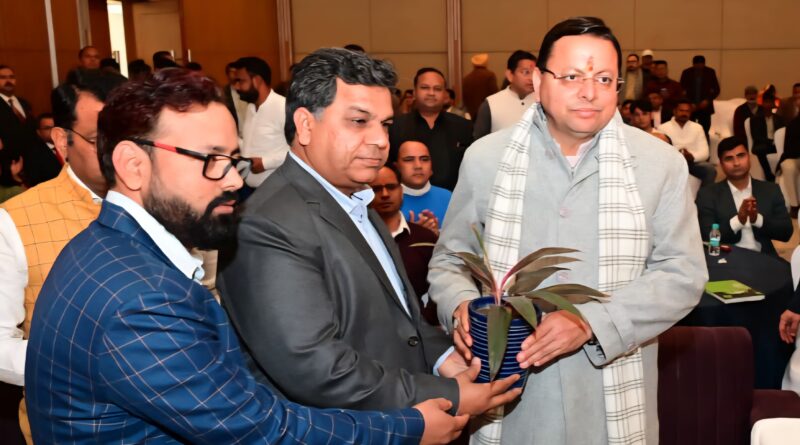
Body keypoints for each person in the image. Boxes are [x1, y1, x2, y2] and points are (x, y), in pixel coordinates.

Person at [24, 67, 467, 445]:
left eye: (233, 159)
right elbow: (257, 429)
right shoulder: (142, 298)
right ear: (133, 164)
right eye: (211, 159)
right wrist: (407, 427)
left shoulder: (100, 247)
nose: (234, 181)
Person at [428, 17, 706, 444]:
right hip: (512, 397)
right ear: (539, 81)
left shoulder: (659, 164)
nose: (589, 91)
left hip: (611, 394)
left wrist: (591, 321)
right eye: (572, 76)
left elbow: (682, 275)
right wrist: (461, 305)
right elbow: (450, 259)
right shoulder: (487, 159)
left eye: (604, 78)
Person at [218, 48, 520, 418]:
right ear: (305, 125)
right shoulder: (264, 225)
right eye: (359, 121)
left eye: (386, 124)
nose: (380, 140)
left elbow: (402, 319)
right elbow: (315, 368)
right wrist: (449, 395)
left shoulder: (359, 201)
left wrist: (444, 357)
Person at [0, 69, 126, 443]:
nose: (120, 152)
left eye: (131, 136)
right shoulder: (15, 221)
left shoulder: (164, 202)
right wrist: (87, 367)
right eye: (99, 139)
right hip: (71, 427)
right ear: (61, 140)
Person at [695, 136, 792, 256]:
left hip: (763, 258)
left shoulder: (770, 190)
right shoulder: (707, 194)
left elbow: (786, 232)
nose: (736, 163)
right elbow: (707, 236)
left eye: (741, 156)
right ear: (721, 164)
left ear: (749, 157)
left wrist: (757, 220)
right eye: (729, 158)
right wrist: (738, 221)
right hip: (726, 259)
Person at [370, 165, 439, 326]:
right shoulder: (357, 238)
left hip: (421, 330)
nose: (385, 194)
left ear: (401, 190)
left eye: (391, 187)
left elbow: (440, 286)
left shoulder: (425, 238)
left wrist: (428, 324)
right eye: (376, 189)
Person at [389, 67, 473, 191]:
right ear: (415, 92)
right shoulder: (396, 127)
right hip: (407, 198)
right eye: (425, 87)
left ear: (445, 94)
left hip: (453, 197)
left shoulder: (464, 126)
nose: (431, 93)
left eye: (437, 89)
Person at [0, 65, 61, 187]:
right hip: (10, 163)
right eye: (3, 77)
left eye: (11, 77)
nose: (8, 80)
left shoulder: (23, 103)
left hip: (33, 159)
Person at [233, 56, 289, 188]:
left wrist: (265, 163)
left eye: (241, 81)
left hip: (276, 190)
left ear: (257, 80)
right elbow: (251, 145)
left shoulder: (283, 107)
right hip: (249, 186)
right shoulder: (251, 107)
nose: (236, 86)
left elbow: (299, 151)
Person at [473, 50, 537, 139]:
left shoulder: (544, 102)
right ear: (510, 75)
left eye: (534, 73)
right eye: (526, 72)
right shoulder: (491, 104)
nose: (531, 78)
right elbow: (478, 141)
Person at [658, 98, 717, 187]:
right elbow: (661, 152)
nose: (684, 113)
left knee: (710, 169)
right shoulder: (663, 128)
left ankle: (704, 195)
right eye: (681, 110)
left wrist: (692, 157)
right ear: (674, 111)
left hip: (693, 163)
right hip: (672, 163)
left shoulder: (697, 127)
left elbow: (705, 153)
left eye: (687, 111)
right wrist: (678, 156)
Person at [395, 140, 451, 231]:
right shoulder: (387, 201)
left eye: (425, 159)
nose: (418, 166)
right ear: (397, 167)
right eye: (409, 160)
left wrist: (437, 235)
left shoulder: (448, 197)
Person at [679, 55, 720, 136]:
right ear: (693, 64)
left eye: (701, 65)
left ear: (704, 64)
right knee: (689, 130)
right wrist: (690, 103)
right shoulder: (687, 72)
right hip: (690, 108)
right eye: (697, 65)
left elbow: (716, 89)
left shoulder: (710, 72)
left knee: (705, 130)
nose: (699, 67)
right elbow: (681, 90)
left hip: (705, 107)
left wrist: (707, 100)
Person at [750, 93, 786, 181]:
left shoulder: (779, 118)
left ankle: (780, 172)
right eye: (766, 102)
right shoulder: (755, 119)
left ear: (773, 104)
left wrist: (776, 142)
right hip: (763, 144)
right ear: (762, 103)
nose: (768, 105)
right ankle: (768, 174)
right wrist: (770, 141)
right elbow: (756, 136)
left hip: (776, 145)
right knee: (760, 150)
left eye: (770, 102)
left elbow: (782, 133)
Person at [462, 53, 499, 118]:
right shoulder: (489, 75)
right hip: (487, 112)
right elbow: (494, 94)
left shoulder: (467, 78)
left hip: (473, 114)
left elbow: (465, 98)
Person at [777, 115, 800, 218]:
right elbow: (790, 148)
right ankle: (794, 206)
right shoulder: (794, 123)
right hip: (795, 156)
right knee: (788, 166)